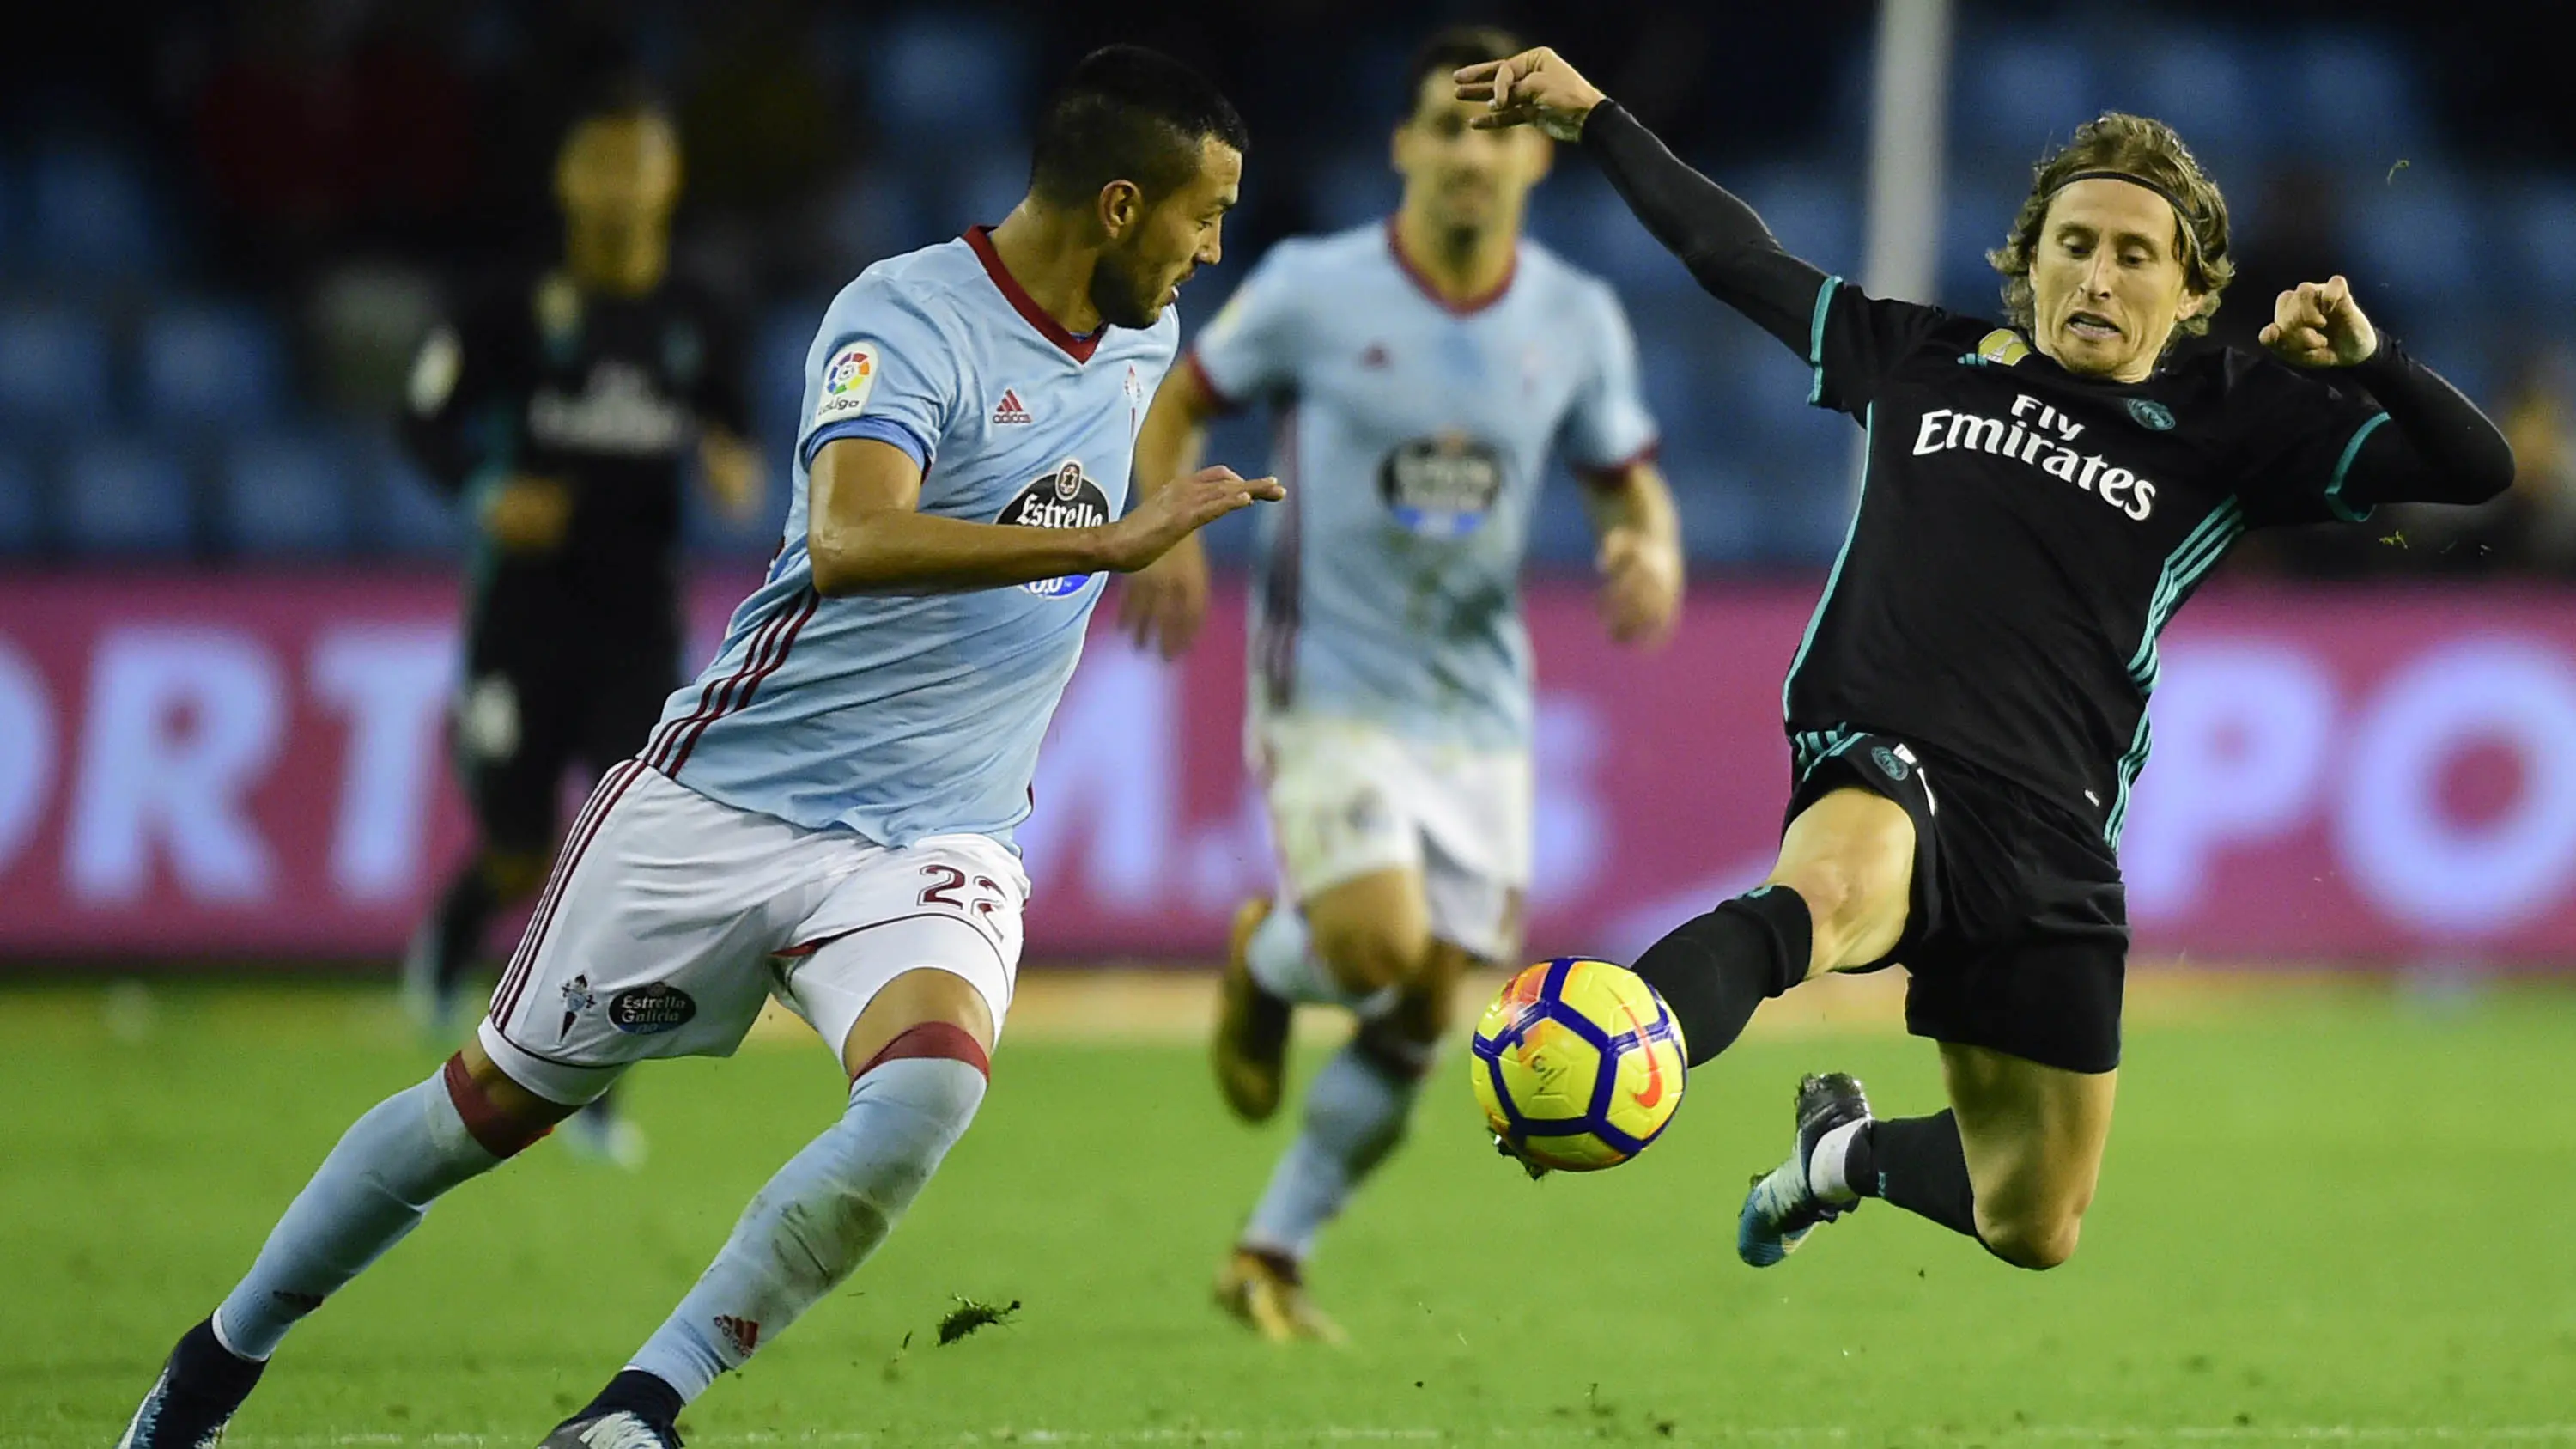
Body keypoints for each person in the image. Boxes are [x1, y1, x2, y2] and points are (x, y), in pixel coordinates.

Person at [117, 46, 1272, 1449]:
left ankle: (636, 1409)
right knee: (475, 1113)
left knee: (927, 1089)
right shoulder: (906, 316)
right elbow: (850, 541)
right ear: (1114, 204)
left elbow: (1110, 429)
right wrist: (1110, 540)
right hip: (730, 800)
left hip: (935, 833)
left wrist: (1154, 524)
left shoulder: (1139, 332)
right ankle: (219, 1357)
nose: (1212, 247)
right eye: (1202, 213)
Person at [1456, 48, 2512, 1270]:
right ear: (2029, 261)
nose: (2098, 274)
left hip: (2052, 825)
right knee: (1828, 896)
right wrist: (1598, 119)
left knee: (2035, 1221)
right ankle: (1609, 1038)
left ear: (2188, 291)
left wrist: (2370, 362)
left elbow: (2477, 471)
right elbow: (1732, 256)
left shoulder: (2235, 420)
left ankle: (1836, 1153)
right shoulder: (1922, 359)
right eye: (2073, 243)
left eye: (2134, 254)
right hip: (1886, 740)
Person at [1133, 26, 1680, 1342]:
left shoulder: (1574, 319)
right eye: (1446, 125)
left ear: (1534, 157)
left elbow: (1627, 478)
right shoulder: (1317, 289)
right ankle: (1275, 962)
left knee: (1440, 1005)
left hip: (1482, 708)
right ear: (1405, 146)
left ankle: (1270, 1246)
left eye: (1496, 129)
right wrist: (1163, 518)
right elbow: (1180, 396)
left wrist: (1646, 547)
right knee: (1377, 950)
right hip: (1329, 682)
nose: (1470, 154)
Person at [398, 81, 762, 1168]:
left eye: (638, 163)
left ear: (670, 178)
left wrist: (731, 460)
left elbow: (734, 424)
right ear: (565, 179)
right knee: (521, 854)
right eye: (599, 163)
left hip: (636, 621)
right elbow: (421, 418)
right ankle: (453, 935)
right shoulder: (507, 307)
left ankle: (591, 1087)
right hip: (522, 609)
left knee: (617, 862)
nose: (619, 186)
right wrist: (480, 490)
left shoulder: (703, 309)